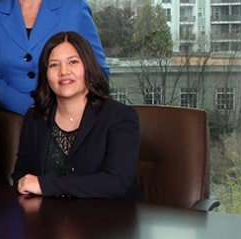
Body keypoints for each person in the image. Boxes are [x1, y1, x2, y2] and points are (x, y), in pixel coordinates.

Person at [12, 31, 143, 200]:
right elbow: (22, 176)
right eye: (54, 65)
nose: (63, 71)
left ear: (88, 67)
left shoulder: (120, 116)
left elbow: (117, 181)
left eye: (73, 62)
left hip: (111, 220)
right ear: (45, 74)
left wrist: (46, 185)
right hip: (49, 219)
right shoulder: (36, 116)